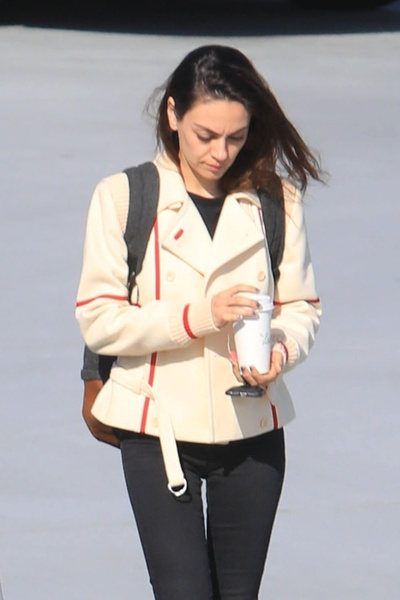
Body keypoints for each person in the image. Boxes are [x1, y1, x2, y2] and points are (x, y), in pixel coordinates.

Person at [75, 44, 323, 600]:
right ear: (173, 114)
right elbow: (99, 319)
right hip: (157, 429)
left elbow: (301, 306)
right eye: (205, 135)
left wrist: (280, 351)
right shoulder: (123, 198)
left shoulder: (276, 200)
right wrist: (197, 317)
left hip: (252, 429)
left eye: (236, 136)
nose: (220, 152)